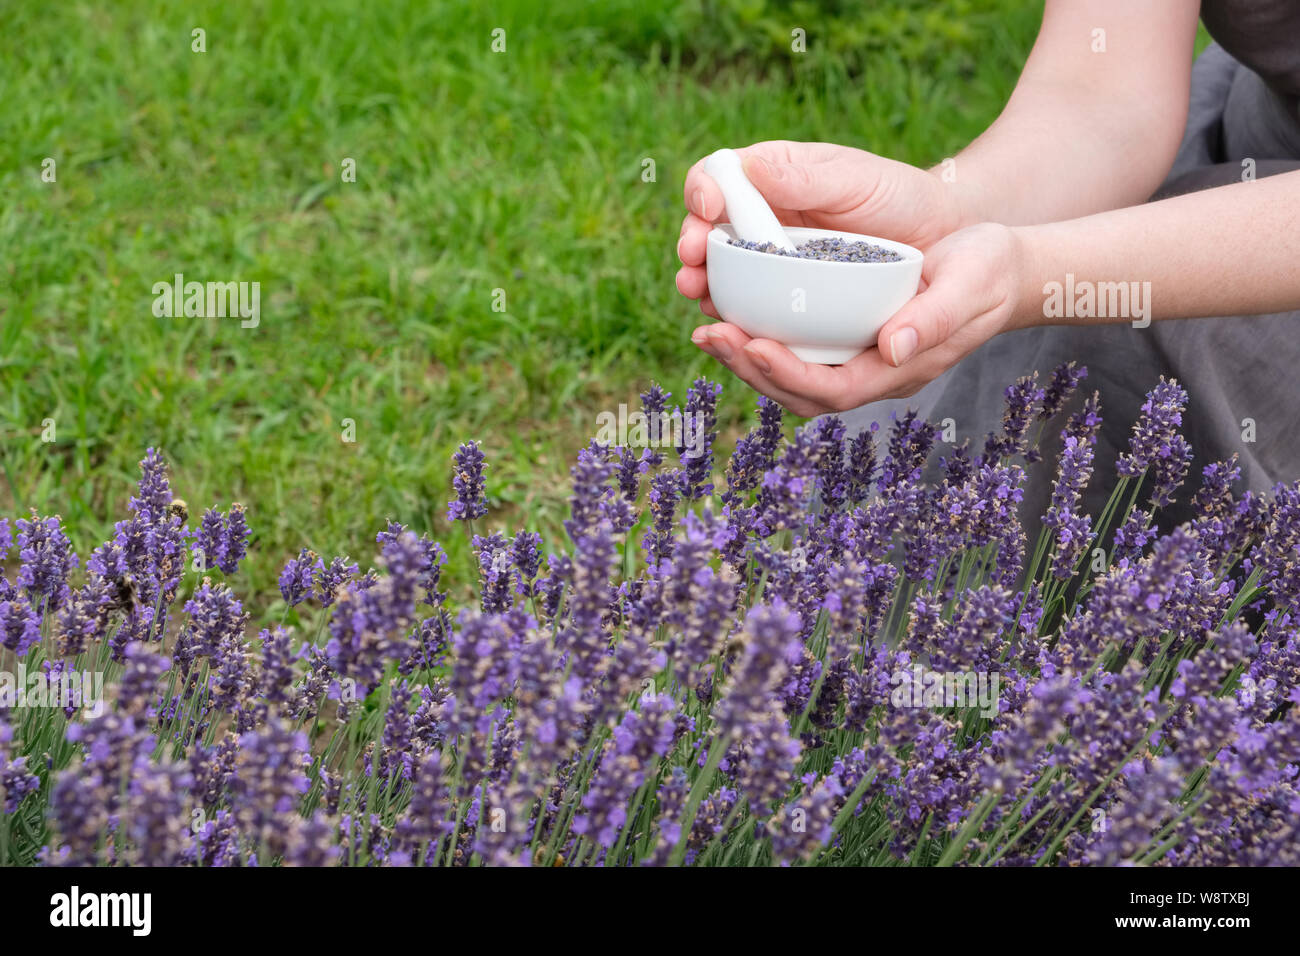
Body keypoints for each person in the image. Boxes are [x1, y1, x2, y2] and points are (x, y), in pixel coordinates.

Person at [675, 0, 1300, 531]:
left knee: (1114, 341)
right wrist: (952, 206)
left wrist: (1034, 271)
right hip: (1252, 135)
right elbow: (1102, 98)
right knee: (905, 460)